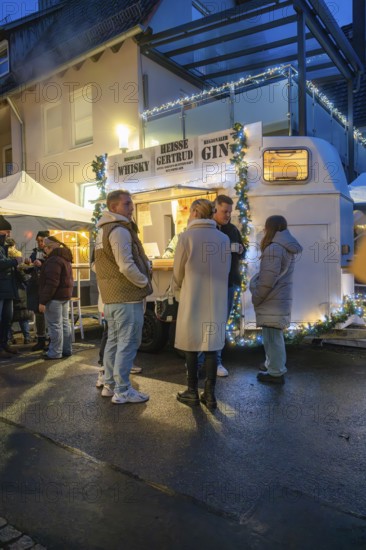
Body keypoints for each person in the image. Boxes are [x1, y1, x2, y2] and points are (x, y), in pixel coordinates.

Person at [94, 190, 153, 404]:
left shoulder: (102, 230)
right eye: (127, 204)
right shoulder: (119, 231)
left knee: (114, 341)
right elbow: (126, 265)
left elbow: (96, 265)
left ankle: (110, 384)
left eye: (131, 203)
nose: (131, 208)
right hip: (126, 297)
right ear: (113, 208)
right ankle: (123, 390)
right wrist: (144, 281)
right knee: (127, 343)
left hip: (111, 298)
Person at [173, 198, 231, 409]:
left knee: (191, 343)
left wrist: (181, 286)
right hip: (216, 297)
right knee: (211, 345)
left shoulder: (186, 237)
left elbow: (177, 271)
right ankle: (210, 394)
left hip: (193, 295)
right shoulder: (223, 239)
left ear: (195, 212)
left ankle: (191, 391)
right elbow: (225, 270)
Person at [250, 215, 302, 384]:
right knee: (274, 337)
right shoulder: (285, 246)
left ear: (270, 229)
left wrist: (256, 297)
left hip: (272, 301)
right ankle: (273, 366)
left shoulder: (274, 249)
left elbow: (267, 281)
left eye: (266, 227)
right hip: (278, 300)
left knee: (272, 339)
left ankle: (276, 374)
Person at [198, 194, 245, 377]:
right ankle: (200, 361)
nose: (227, 215)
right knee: (205, 323)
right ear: (214, 209)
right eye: (225, 211)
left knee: (220, 324)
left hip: (229, 283)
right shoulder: (206, 229)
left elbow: (241, 250)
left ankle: (216, 362)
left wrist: (241, 250)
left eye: (230, 212)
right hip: (210, 284)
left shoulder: (232, 229)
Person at [38, 236, 73, 360]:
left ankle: (55, 352)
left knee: (55, 326)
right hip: (64, 296)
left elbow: (52, 283)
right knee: (64, 324)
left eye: (45, 248)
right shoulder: (65, 257)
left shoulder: (53, 260)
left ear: (50, 247)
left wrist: (43, 301)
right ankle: (66, 349)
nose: (44, 251)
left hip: (54, 298)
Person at [0, 216, 22, 358]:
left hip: (7, 288)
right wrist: (15, 261)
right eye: (7, 231)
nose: (9, 235)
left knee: (7, 318)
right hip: (2, 288)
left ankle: (4, 343)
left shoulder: (3, 247)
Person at [26, 231, 50, 351]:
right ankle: (41, 340)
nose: (40, 243)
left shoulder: (51, 252)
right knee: (38, 314)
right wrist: (27, 264)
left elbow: (53, 268)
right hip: (36, 287)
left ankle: (51, 341)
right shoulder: (35, 253)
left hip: (47, 287)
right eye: (38, 241)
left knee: (50, 314)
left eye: (42, 240)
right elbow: (30, 267)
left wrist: (41, 264)